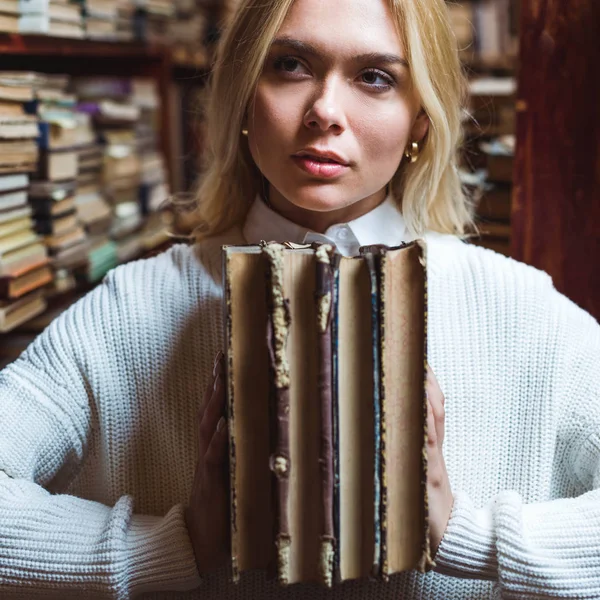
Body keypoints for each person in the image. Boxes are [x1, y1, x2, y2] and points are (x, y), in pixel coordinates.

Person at [0, 0, 598, 597]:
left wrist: (467, 533)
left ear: (420, 118)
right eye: (290, 65)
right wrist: (174, 545)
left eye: (375, 77)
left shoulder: (519, 309)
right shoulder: (129, 309)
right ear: (242, 94)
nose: (325, 112)